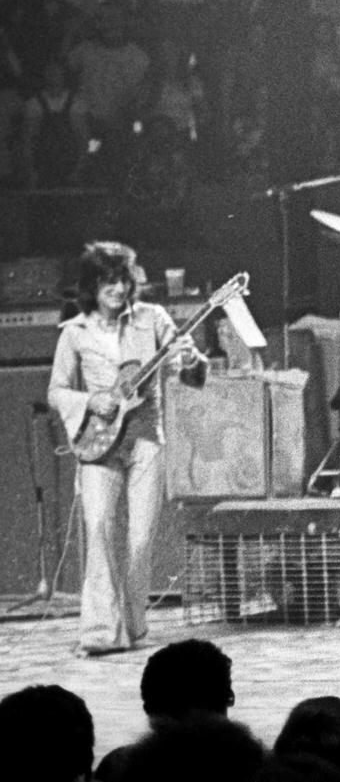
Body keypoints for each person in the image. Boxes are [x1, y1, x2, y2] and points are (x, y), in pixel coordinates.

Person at [48, 241, 204, 656]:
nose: (116, 289)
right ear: (91, 286)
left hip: (145, 438)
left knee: (140, 538)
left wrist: (188, 359)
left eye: (122, 280)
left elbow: (192, 375)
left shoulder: (153, 319)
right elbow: (57, 391)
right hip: (98, 442)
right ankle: (100, 632)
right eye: (106, 282)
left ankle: (133, 626)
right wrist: (88, 401)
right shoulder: (75, 332)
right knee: (98, 528)